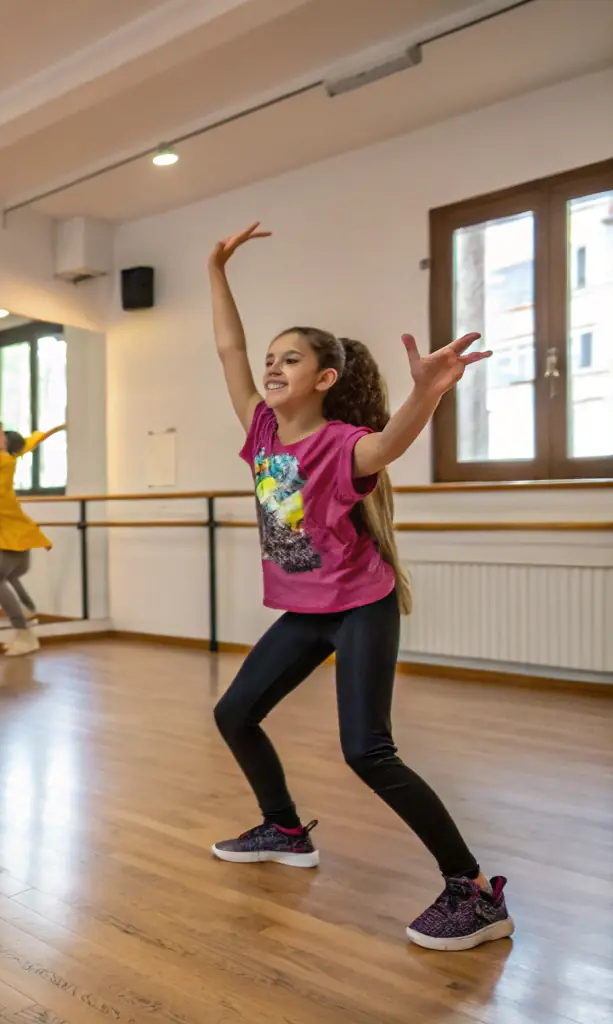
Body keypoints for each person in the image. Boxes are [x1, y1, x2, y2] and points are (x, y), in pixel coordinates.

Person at [205, 223, 511, 952]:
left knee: (366, 750)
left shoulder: (343, 446)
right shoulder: (261, 434)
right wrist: (214, 268)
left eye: (291, 359)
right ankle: (281, 828)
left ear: (324, 379)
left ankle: (471, 892)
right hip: (306, 612)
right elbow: (227, 349)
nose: (272, 367)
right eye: (271, 358)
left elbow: (392, 442)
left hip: (359, 608)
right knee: (235, 713)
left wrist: (428, 392)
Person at [0, 419, 65, 656]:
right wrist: (54, 428)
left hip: (12, 534)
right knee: (10, 574)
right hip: (17, 532)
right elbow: (31, 442)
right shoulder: (7, 460)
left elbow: (9, 446)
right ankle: (28, 613)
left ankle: (23, 631)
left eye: (0, 436)